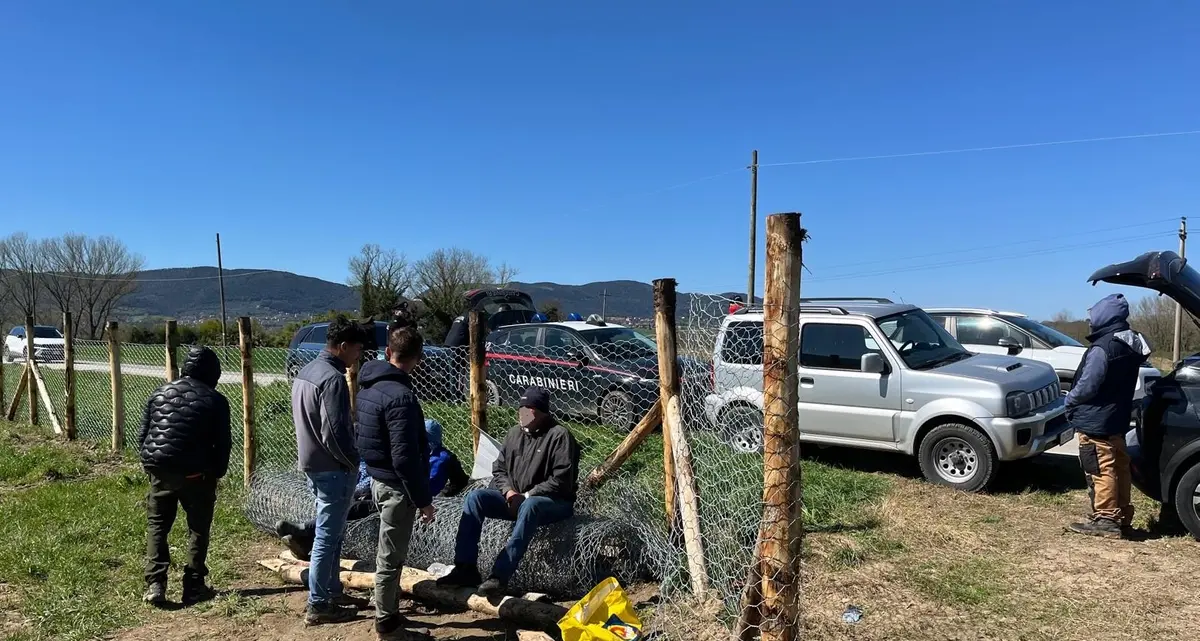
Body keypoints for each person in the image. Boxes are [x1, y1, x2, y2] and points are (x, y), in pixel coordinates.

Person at [438, 387, 579, 597]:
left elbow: (562, 480)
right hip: (515, 497)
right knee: (475, 498)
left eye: (529, 409)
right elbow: (499, 469)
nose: (523, 413)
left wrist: (528, 495)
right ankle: (465, 567)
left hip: (552, 503)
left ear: (542, 412)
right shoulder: (514, 433)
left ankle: (499, 576)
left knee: (531, 505)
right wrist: (508, 492)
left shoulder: (560, 436)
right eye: (521, 408)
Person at [275, 421, 469, 562]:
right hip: (395, 493)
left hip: (410, 499)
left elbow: (461, 481)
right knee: (354, 508)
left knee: (355, 509)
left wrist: (442, 495)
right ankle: (307, 536)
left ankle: (306, 531)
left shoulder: (444, 458)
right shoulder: (412, 453)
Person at [356, 322, 436, 639]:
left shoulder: (368, 388)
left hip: (376, 478)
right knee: (390, 556)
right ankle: (387, 623)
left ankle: (386, 608)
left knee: (387, 550)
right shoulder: (401, 398)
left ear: (389, 352)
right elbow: (404, 457)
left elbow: (364, 437)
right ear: (417, 358)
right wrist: (423, 500)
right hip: (396, 486)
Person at [138, 346, 232, 607]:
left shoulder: (158, 393)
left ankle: (156, 583)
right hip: (196, 474)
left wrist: (152, 466)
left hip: (160, 470)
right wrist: (216, 473)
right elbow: (223, 444)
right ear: (212, 373)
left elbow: (144, 434)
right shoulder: (216, 400)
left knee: (158, 525)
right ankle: (193, 585)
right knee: (198, 528)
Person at [291, 315, 367, 625]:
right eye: (358, 349)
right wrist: (352, 461)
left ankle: (331, 589)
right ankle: (319, 603)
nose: (359, 355)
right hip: (333, 467)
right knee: (326, 536)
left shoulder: (307, 371)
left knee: (332, 534)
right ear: (344, 346)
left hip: (312, 464)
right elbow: (334, 432)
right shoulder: (333, 379)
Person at [1065, 293, 1151, 539]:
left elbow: (1088, 385)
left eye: (1093, 316)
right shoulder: (1130, 342)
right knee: (1119, 467)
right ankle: (1121, 517)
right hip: (1117, 418)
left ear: (1104, 316)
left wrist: (1070, 401)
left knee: (1100, 469)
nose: (1090, 320)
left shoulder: (1103, 347)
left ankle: (1106, 519)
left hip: (1096, 419)